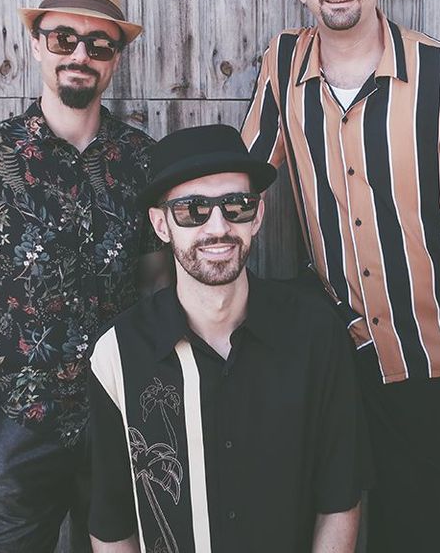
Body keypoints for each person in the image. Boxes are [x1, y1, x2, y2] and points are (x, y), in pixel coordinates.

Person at [242, 0, 440, 552]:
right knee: (320, 502)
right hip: (333, 342)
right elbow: (245, 183)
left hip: (431, 345)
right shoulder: (282, 65)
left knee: (411, 515)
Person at [88, 124, 366, 553]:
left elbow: (340, 500)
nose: (218, 227)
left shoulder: (316, 336)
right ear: (161, 225)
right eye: (192, 210)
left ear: (258, 215)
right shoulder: (117, 354)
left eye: (237, 205)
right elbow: (111, 524)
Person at [0, 0, 167, 552]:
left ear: (114, 60)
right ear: (37, 44)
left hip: (117, 418)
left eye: (98, 44)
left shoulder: (142, 160)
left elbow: (158, 286)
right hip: (15, 422)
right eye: (63, 38)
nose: (79, 55)